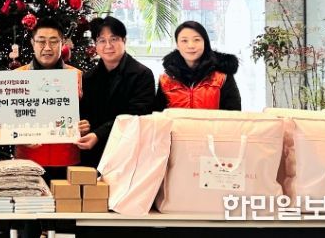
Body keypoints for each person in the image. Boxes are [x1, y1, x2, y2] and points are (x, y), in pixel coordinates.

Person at [14, 18, 88, 182]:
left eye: (54, 42)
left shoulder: (77, 76)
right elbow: (6, 120)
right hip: (27, 162)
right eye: (41, 41)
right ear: (32, 43)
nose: (47, 48)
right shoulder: (17, 77)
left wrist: (85, 125)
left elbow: (88, 115)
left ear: (62, 43)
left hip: (67, 161)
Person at [76, 16, 155, 169]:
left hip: (128, 153)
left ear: (124, 41)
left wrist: (99, 134)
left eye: (114, 39)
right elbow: (84, 113)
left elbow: (137, 115)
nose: (108, 46)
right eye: (102, 40)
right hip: (93, 156)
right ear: (95, 44)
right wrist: (84, 125)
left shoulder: (142, 75)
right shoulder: (88, 77)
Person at [154, 20, 241, 111]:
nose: (191, 45)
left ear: (205, 43)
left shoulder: (222, 76)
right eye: (184, 41)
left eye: (197, 40)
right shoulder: (166, 79)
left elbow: (233, 114)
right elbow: (159, 115)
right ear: (177, 45)